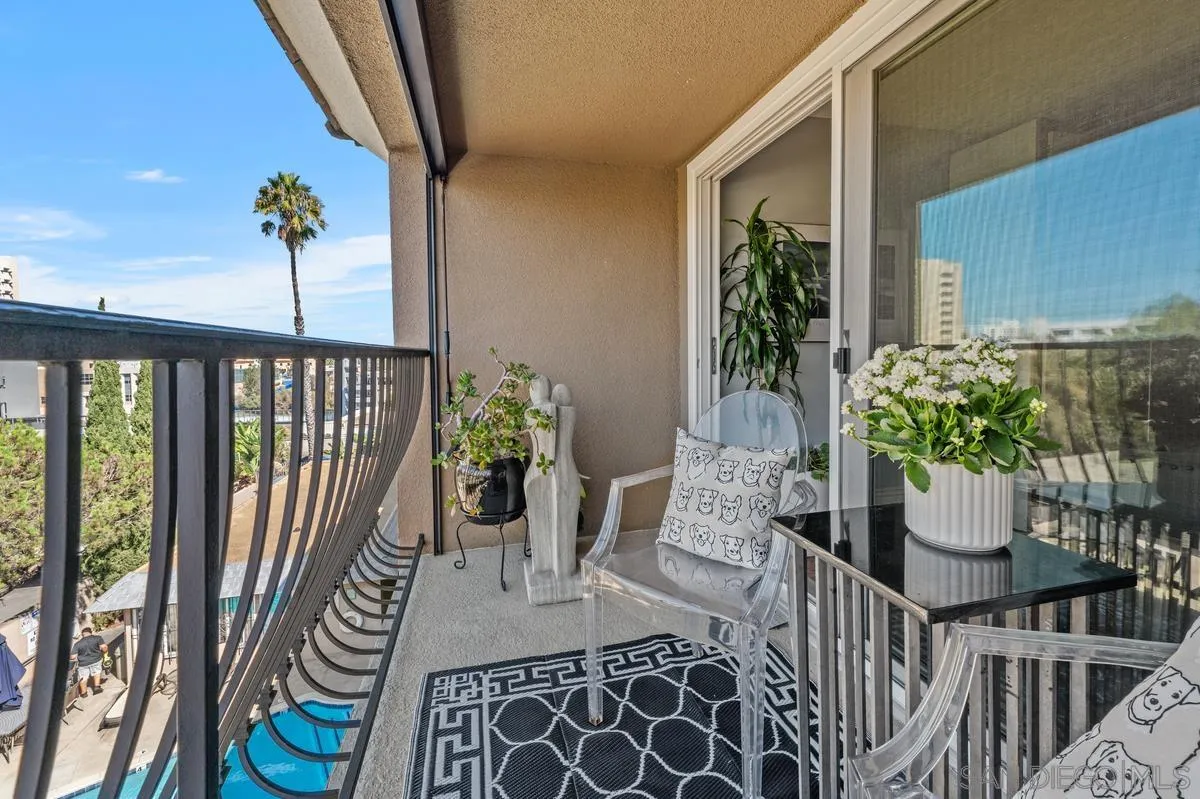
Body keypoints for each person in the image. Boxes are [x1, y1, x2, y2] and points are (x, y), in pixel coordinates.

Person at [70, 627, 107, 698]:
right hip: (96, 660)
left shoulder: (78, 644)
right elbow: (104, 648)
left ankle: (84, 693)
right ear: (90, 632)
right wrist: (104, 652)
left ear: (82, 634)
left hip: (83, 664)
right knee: (96, 672)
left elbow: (73, 657)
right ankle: (97, 687)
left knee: (83, 678)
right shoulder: (97, 638)